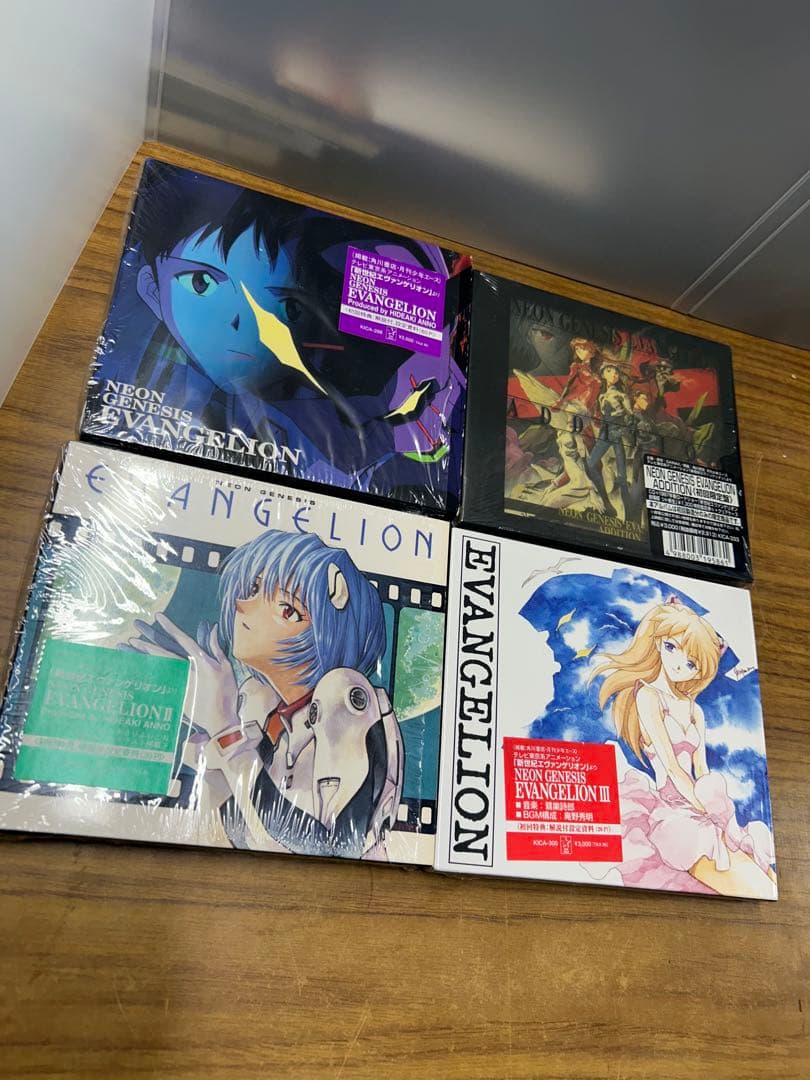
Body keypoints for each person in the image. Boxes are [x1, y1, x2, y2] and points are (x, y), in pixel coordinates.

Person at [129, 530, 403, 860]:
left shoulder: (347, 698)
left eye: (287, 609)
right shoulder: (266, 712)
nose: (243, 605)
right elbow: (241, 836)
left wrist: (225, 731)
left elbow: (331, 848)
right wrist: (211, 736)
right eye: (253, 590)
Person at [590, 598, 775, 898]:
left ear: (699, 671)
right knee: (751, 883)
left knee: (765, 875)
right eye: (671, 647)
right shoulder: (648, 697)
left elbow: (701, 769)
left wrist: (721, 812)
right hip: (674, 812)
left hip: (703, 806)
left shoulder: (694, 710)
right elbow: (673, 766)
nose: (679, 664)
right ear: (659, 643)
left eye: (691, 663)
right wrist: (704, 807)